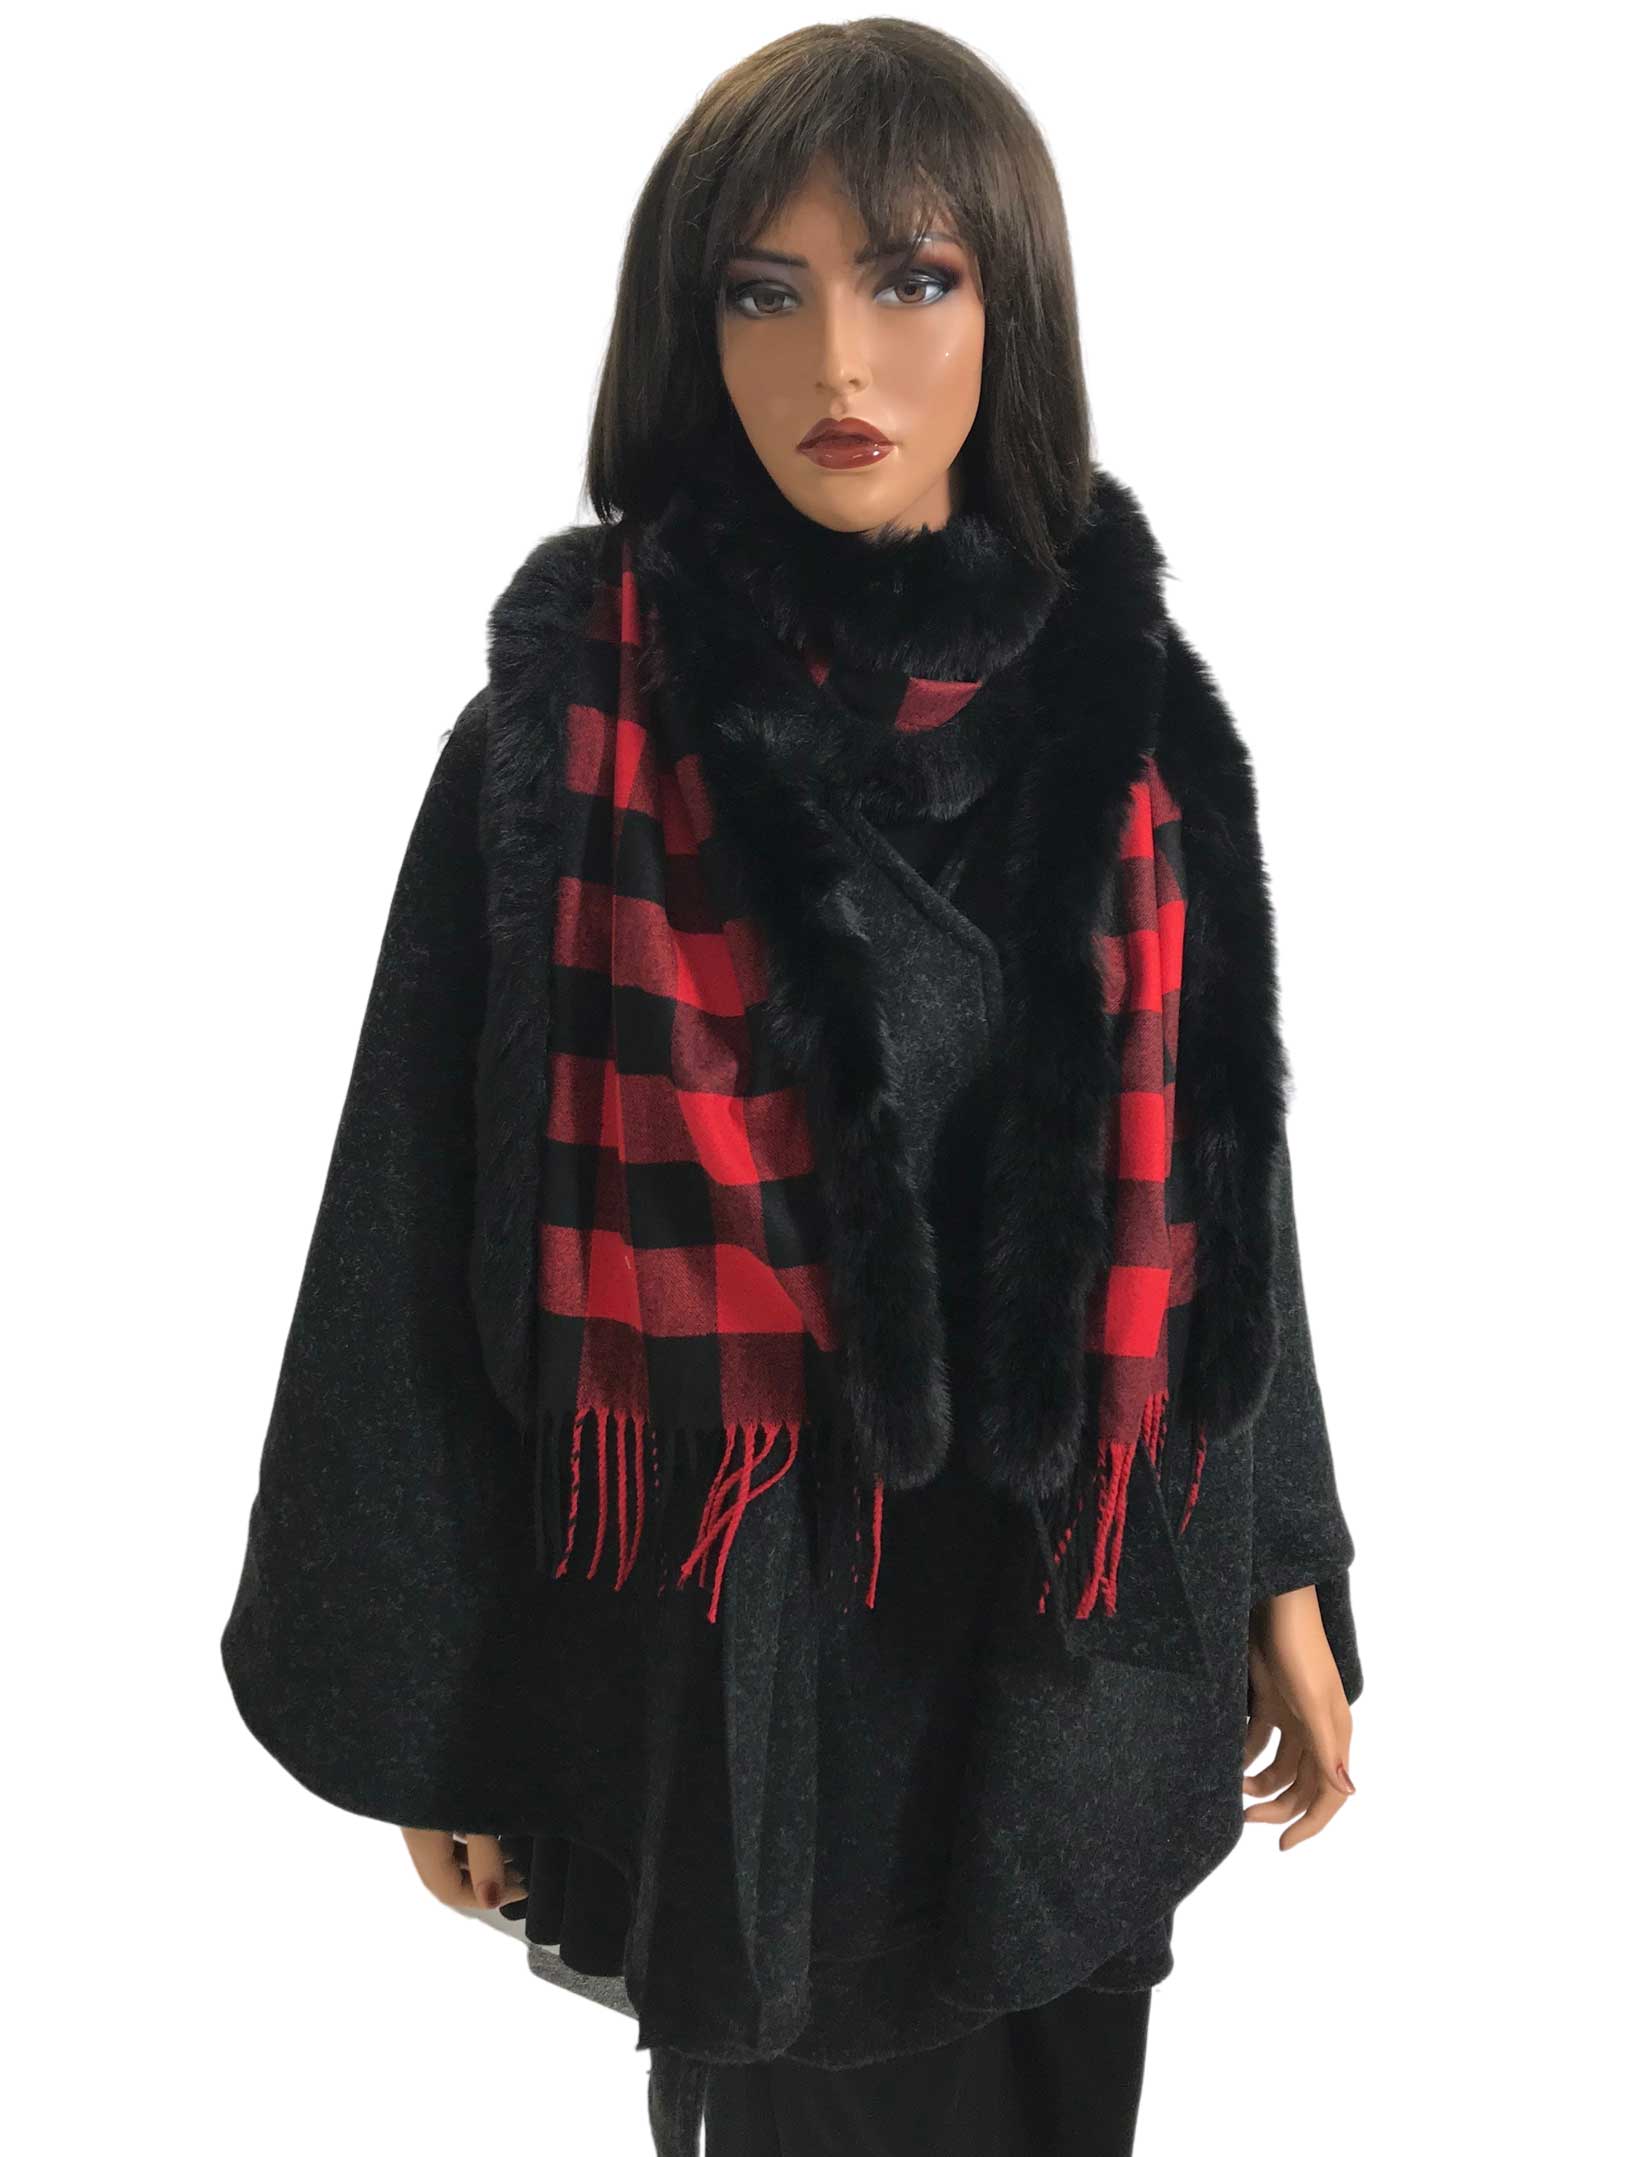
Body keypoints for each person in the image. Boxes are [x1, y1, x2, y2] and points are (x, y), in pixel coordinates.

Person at [220, 21, 1365, 2157]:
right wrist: (440, 1693)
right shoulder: (570, 735)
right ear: (692, 327)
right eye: (765, 291)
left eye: (911, 278)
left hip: (1070, 1624)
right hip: (743, 1641)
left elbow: (1230, 1178)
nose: (838, 356)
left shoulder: (1132, 716)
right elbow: (413, 1209)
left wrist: (1284, 1555)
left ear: (1009, 311)